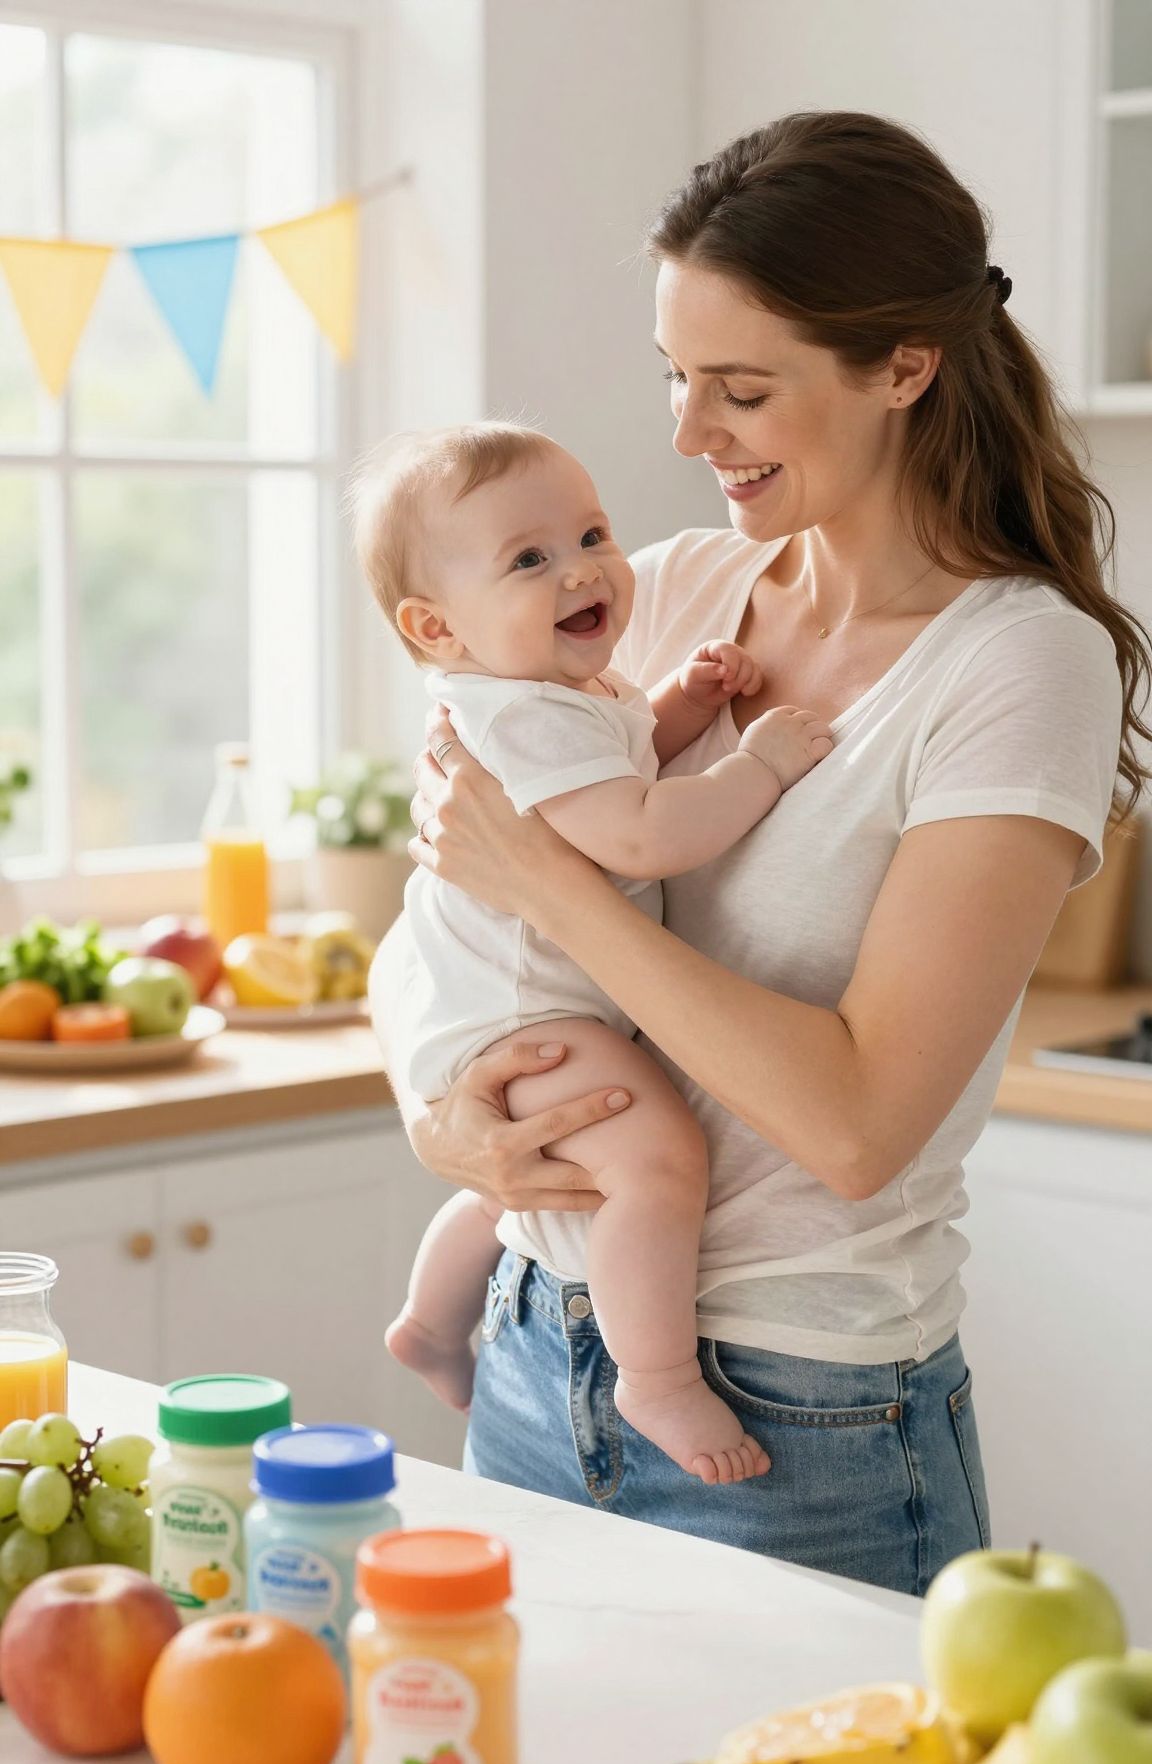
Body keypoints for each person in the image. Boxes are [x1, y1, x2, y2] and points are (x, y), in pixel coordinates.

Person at [370, 111, 1150, 1597]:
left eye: (739, 389)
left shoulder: (1018, 666)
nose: (687, 433)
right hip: (532, 1348)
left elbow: (857, 1127)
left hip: (805, 1416)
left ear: (904, 367)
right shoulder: (658, 595)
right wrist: (444, 1124)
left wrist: (552, 887)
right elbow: (449, 913)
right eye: (675, 376)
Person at [351, 421, 831, 1482]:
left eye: (591, 534)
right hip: (529, 1010)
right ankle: (653, 1375)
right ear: (436, 626)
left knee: (529, 1185)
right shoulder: (520, 715)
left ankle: (431, 1322)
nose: (582, 569)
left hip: (506, 999)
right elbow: (640, 833)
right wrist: (757, 764)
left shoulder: (562, 692)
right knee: (653, 1160)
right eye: (529, 559)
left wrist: (684, 703)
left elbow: (617, 767)